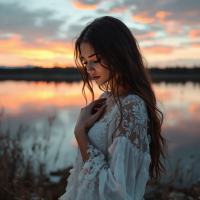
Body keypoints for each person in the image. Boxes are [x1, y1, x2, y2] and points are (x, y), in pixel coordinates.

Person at [59, 16, 168, 200]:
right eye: (85, 61)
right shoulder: (105, 99)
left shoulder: (132, 105)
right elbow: (84, 176)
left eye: (95, 59)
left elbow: (116, 192)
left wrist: (80, 132)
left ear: (118, 53)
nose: (89, 68)